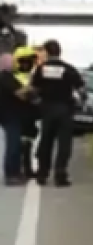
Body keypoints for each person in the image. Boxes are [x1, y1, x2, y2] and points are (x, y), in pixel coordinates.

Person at [30, 39, 85, 187]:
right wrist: (80, 102)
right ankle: (60, 175)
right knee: (64, 143)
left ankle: (42, 173)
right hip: (64, 109)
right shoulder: (69, 69)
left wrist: (37, 102)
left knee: (46, 141)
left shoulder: (41, 69)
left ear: (47, 52)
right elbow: (81, 89)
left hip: (47, 109)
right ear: (59, 52)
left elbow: (33, 90)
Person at [0, 52, 29, 186]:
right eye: (12, 62)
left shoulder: (8, 77)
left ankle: (15, 172)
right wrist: (30, 88)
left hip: (9, 114)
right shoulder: (5, 78)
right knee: (13, 145)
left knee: (15, 144)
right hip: (10, 115)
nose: (14, 64)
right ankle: (11, 174)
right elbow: (19, 93)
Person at [13, 46, 41, 179]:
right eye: (25, 61)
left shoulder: (32, 75)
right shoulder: (15, 77)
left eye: (30, 60)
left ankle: (27, 169)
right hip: (18, 115)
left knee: (28, 143)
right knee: (20, 144)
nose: (28, 64)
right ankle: (20, 170)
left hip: (30, 115)